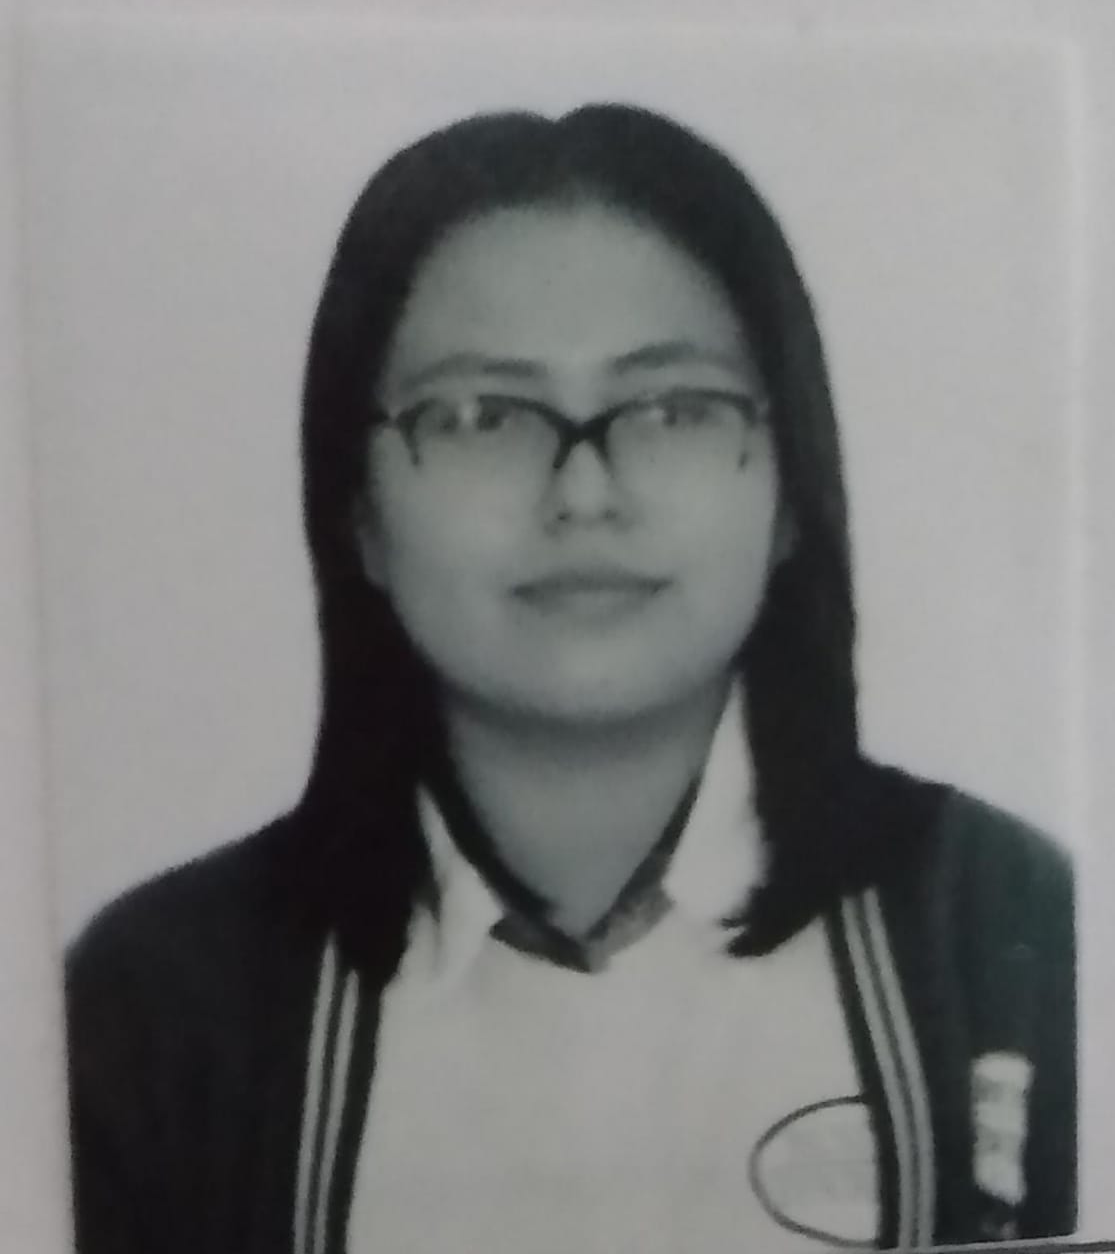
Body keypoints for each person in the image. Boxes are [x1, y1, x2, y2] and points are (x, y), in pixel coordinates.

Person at [64, 103, 1075, 1253]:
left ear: (790, 489)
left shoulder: (1005, 928)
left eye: (672, 409)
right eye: (482, 415)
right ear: (359, 515)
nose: (584, 494)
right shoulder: (165, 1004)